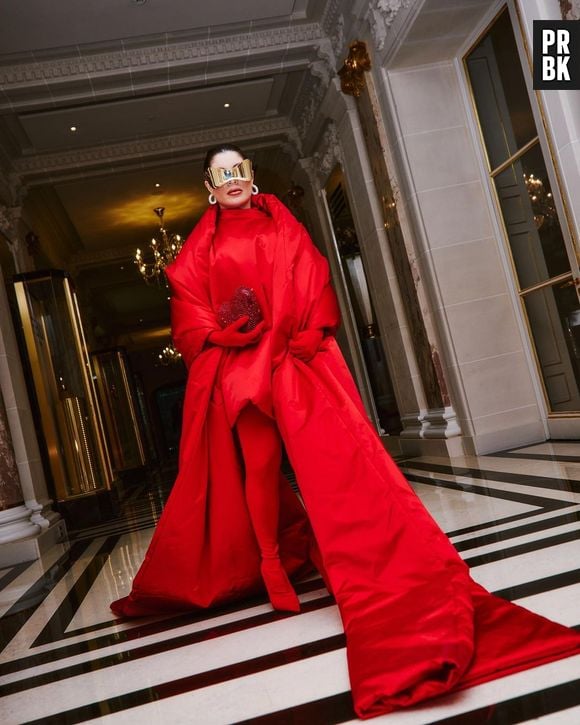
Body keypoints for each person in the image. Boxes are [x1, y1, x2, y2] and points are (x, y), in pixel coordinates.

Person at [111, 144, 580, 719]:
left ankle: (359, 554)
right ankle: (269, 563)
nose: (232, 179)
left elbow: (315, 280)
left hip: (295, 359)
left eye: (240, 170)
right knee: (259, 465)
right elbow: (189, 307)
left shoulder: (283, 225)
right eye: (221, 173)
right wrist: (220, 336)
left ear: (251, 177)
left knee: (331, 465)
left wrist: (315, 327)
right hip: (242, 367)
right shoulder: (199, 247)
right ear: (208, 185)